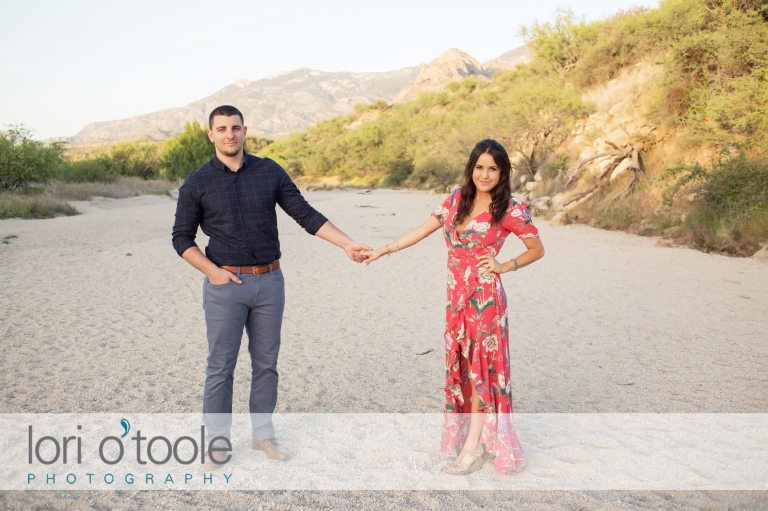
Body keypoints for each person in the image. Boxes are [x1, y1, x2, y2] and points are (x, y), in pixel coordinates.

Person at [172, 105, 370, 469]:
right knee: (220, 366)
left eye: (235, 127)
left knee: (266, 364)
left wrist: (345, 243)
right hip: (225, 284)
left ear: (245, 130)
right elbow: (181, 237)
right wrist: (212, 272)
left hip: (270, 282)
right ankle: (216, 442)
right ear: (210, 135)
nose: (229, 134)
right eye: (222, 129)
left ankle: (263, 435)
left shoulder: (269, 171)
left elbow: (305, 214)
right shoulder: (197, 181)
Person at [361, 139, 544, 475]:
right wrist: (383, 250)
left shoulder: (510, 209)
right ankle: (475, 439)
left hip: (485, 300)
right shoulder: (457, 200)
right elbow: (422, 230)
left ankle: (474, 447)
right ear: (470, 168)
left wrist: (505, 266)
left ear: (502, 172)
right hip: (456, 298)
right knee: (463, 367)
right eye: (479, 167)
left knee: (479, 371)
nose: (485, 174)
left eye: (493, 168)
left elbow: (537, 248)